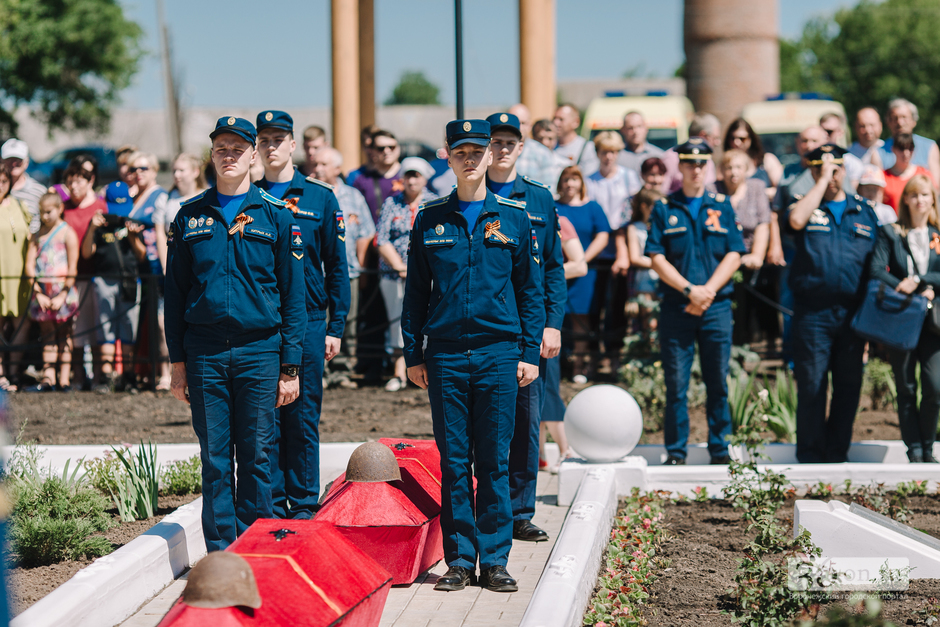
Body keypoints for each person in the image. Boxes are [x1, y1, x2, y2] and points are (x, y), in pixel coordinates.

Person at [402, 119, 544, 593]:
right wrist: (412, 353)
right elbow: (415, 294)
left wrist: (529, 352)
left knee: (495, 461)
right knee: (454, 461)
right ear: (448, 155)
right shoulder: (430, 218)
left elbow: (530, 291)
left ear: (489, 156)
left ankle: (496, 560)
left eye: (477, 151)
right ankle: (461, 560)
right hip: (444, 356)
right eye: (460, 151)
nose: (469, 158)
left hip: (498, 354)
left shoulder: (515, 218)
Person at [165, 116, 305, 550]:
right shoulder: (190, 217)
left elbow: (293, 296)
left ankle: (257, 550)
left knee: (259, 458)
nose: (229, 156)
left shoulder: (277, 216)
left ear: (253, 155)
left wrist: (290, 366)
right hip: (205, 353)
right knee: (215, 461)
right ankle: (222, 553)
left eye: (238, 149)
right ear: (212, 155)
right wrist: (177, 363)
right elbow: (174, 295)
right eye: (221, 148)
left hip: (259, 352)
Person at [254, 110, 350, 520]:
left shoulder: (320, 197)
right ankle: (273, 506)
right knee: (267, 417)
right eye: (265, 140)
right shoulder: (248, 196)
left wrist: (336, 325)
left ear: (294, 145)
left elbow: (337, 265)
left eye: (280, 139)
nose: (272, 146)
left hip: (310, 321)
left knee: (303, 415)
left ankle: (304, 505)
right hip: (263, 323)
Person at [484, 112, 565, 544]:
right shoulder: (469, 194)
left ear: (521, 148)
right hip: (481, 330)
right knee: (482, 425)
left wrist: (552, 325)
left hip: (527, 329)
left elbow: (553, 268)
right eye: (494, 141)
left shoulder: (538, 199)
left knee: (525, 419)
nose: (501, 150)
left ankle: (519, 511)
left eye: (509, 143)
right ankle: (487, 507)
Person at [646, 138, 746, 465]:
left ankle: (720, 449)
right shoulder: (664, 207)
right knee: (677, 385)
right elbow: (656, 257)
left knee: (718, 381)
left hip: (715, 307)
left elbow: (734, 253)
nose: (696, 170)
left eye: (702, 163)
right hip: (678, 306)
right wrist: (690, 291)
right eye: (690, 163)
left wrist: (707, 292)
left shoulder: (722, 205)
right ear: (681, 167)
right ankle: (676, 452)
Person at [787, 144, 879, 463]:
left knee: (848, 386)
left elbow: (875, 267)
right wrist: (821, 181)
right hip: (813, 313)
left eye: (835, 169)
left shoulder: (863, 211)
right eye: (820, 169)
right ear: (812, 171)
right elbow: (796, 221)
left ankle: (837, 453)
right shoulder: (805, 205)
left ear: (845, 170)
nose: (830, 175)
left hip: (853, 315)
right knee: (812, 386)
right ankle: (811, 455)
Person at [869, 175, 940, 462]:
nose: (920, 200)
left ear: (932, 200)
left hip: (933, 322)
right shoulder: (891, 232)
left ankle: (928, 444)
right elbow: (876, 269)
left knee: (935, 386)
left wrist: (920, 280)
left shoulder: (938, 234)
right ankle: (916, 451)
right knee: (906, 385)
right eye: (914, 195)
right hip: (901, 317)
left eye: (925, 195)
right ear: (906, 199)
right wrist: (903, 286)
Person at [313, 147, 373, 383]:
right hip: (316, 273)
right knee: (320, 321)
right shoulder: (311, 195)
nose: (318, 169)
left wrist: (360, 263)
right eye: (316, 164)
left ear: (337, 169)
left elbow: (366, 231)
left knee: (348, 320)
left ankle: (343, 369)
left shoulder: (353, 196)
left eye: (324, 165)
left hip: (347, 271)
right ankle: (321, 371)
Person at [376, 156, 435, 392]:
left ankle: (427, 370)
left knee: (428, 320)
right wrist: (400, 267)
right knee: (397, 321)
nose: (412, 180)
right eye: (408, 175)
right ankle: (399, 372)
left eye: (416, 175)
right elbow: (381, 238)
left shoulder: (435, 202)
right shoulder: (392, 203)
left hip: (428, 276)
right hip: (394, 275)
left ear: (425, 178)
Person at [82, 184, 147, 394]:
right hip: (104, 281)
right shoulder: (100, 226)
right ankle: (107, 375)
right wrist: (92, 228)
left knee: (129, 327)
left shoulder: (132, 222)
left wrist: (131, 234)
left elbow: (141, 255)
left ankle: (128, 375)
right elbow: (86, 254)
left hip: (128, 281)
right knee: (105, 328)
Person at [587, 131, 640, 373]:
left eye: (614, 152)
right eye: (604, 152)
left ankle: (615, 354)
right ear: (597, 153)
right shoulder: (590, 181)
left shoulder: (629, 178)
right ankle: (593, 354)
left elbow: (632, 213)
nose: (609, 157)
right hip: (596, 250)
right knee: (593, 304)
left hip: (621, 250)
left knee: (618, 305)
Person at [539, 215, 587, 472]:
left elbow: (580, 265)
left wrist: (537, 272)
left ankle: (565, 449)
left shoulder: (559, 220)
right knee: (530, 387)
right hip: (520, 308)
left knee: (547, 385)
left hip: (547, 311)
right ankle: (539, 454)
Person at [555, 166, 610, 383]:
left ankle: (579, 364)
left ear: (581, 183)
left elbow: (603, 235)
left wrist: (582, 259)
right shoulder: (553, 206)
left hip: (585, 272)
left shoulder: (593, 207)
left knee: (582, 318)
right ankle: (557, 365)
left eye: (574, 179)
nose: (570, 184)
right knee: (557, 316)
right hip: (558, 271)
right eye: (566, 179)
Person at [715, 149, 772, 346]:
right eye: (729, 167)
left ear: (746, 169)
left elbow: (763, 224)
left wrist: (757, 255)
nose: (733, 172)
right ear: (721, 170)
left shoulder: (756, 187)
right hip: (720, 260)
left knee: (747, 312)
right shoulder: (712, 190)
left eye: (738, 167)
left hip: (748, 260)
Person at [24, 193, 79, 392]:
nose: (45, 216)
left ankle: (64, 378)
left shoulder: (67, 233)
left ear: (59, 209)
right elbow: (29, 265)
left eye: (49, 212)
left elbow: (73, 267)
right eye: (41, 212)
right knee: (47, 334)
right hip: (43, 291)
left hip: (62, 291)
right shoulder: (37, 235)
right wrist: (37, 292)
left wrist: (63, 294)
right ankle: (48, 377)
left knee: (64, 334)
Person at [126, 151, 170, 390]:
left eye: (143, 168)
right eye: (133, 169)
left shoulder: (160, 196)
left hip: (156, 266)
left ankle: (165, 372)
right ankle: (146, 371)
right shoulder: (132, 197)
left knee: (160, 322)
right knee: (144, 322)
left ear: (154, 171)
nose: (138, 173)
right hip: (137, 268)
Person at [0, 162, 31, 391]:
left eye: (3, 181)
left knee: (22, 324)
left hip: (19, 275)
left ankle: (14, 373)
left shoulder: (19, 205)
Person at [155, 153, 208, 274]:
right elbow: (160, 234)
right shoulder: (165, 199)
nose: (176, 175)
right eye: (174, 170)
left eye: (181, 170)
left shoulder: (207, 197)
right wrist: (166, 265)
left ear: (196, 172)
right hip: (174, 261)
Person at [626, 188, 663, 330]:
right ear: (644, 206)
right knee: (649, 320)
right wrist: (660, 264)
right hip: (645, 280)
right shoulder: (635, 228)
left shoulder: (662, 227)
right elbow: (635, 258)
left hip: (664, 279)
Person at [880, 98, 940, 187]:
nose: (900, 122)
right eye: (895, 118)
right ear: (888, 122)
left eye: (904, 117)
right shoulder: (878, 151)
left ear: (914, 121)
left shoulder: (930, 147)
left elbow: (936, 185)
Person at [508, 103, 569, 191]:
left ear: (530, 125)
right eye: (515, 122)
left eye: (523, 123)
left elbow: (549, 190)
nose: (519, 127)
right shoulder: (495, 150)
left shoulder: (542, 153)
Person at [722, 117, 783, 199]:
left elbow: (781, 190)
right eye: (733, 138)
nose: (737, 142)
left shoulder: (767, 160)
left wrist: (758, 193)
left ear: (751, 139)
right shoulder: (724, 164)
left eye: (742, 139)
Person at [661, 114, 721, 194]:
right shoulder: (672, 157)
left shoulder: (708, 159)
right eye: (715, 138)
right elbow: (662, 192)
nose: (717, 143)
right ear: (703, 135)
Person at [1, 138, 47, 234]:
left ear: (26, 162)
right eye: (9, 159)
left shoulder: (39, 191)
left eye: (18, 160)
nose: (14, 163)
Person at [884, 133, 934, 212]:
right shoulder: (883, 176)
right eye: (901, 148)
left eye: (910, 148)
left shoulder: (924, 174)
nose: (906, 153)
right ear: (893, 149)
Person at [552, 103, 599, 175]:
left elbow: (588, 180)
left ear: (576, 122)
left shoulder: (586, 148)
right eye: (554, 118)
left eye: (561, 119)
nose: (556, 123)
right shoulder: (550, 146)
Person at [820, 112, 864, 188]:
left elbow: (850, 194)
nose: (824, 135)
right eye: (821, 131)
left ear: (840, 132)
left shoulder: (852, 164)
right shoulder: (812, 159)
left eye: (829, 131)